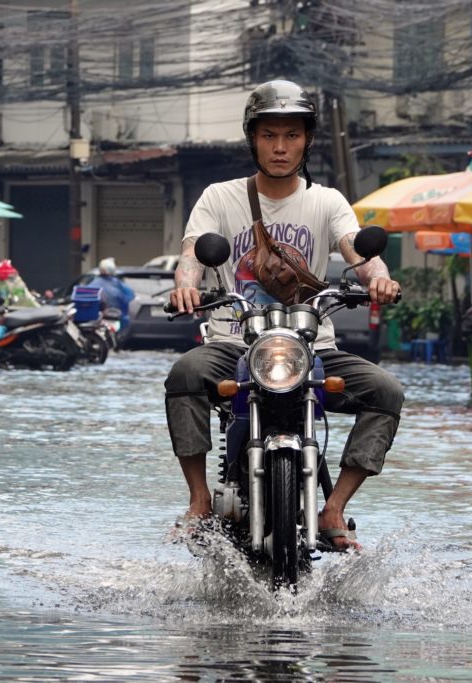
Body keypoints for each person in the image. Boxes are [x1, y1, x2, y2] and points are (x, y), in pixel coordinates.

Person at [164, 80, 404, 551]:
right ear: (252, 138)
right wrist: (185, 286)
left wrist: (381, 278)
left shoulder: (327, 201)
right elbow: (193, 250)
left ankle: (333, 506)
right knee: (184, 375)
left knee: (386, 393)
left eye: (291, 135)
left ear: (307, 140)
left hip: (311, 345)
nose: (280, 147)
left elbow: (357, 250)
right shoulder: (219, 196)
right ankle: (198, 500)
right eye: (269, 135)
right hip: (234, 341)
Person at [89, 257, 135, 328]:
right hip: (115, 316)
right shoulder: (116, 283)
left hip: (99, 317)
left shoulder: (94, 283)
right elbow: (129, 296)